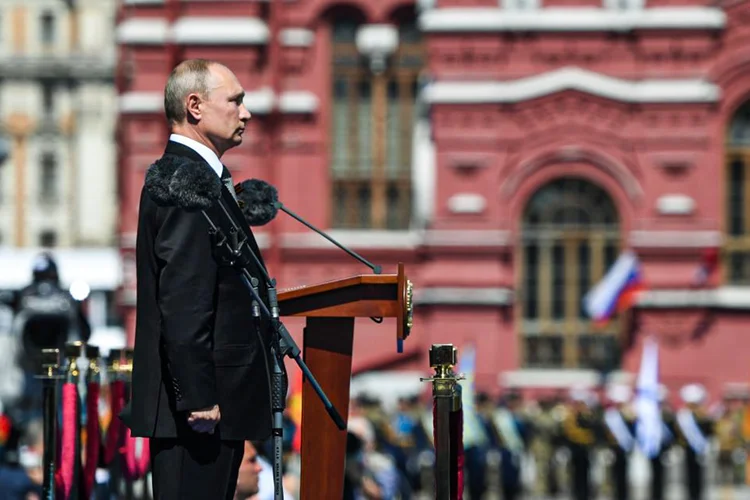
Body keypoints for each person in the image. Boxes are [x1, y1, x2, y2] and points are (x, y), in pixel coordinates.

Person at [123, 59, 272, 500]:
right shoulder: (183, 183)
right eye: (236, 100)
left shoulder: (203, 180)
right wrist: (199, 397)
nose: (245, 113)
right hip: (198, 413)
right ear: (195, 106)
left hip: (212, 407)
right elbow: (184, 301)